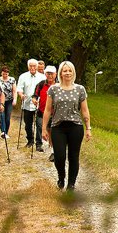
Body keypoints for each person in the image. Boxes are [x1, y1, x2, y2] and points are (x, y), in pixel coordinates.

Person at [41, 61, 92, 191]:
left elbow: (85, 110)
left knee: (73, 156)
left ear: (73, 72)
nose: (67, 73)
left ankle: (71, 184)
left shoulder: (80, 89)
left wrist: (88, 128)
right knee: (59, 156)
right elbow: (47, 110)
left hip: (75, 126)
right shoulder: (54, 89)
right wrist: (44, 128)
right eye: (65, 71)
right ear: (60, 73)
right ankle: (61, 176)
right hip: (58, 127)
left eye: (70, 70)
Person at [16, 59, 44, 149]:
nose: (32, 68)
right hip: (27, 103)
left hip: (38, 104)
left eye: (34, 66)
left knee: (39, 124)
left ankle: (39, 144)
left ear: (37, 67)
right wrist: (21, 94)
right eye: (30, 66)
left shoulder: (42, 77)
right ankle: (30, 140)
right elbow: (19, 88)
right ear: (28, 67)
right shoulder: (23, 76)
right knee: (28, 124)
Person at [33, 66, 56, 152]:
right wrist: (34, 100)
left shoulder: (58, 85)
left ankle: (52, 146)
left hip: (54, 112)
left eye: (51, 74)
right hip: (41, 110)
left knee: (51, 129)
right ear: (45, 74)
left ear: (55, 74)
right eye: (48, 73)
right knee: (39, 126)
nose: (50, 76)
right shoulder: (41, 84)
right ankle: (38, 144)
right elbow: (35, 95)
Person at [0, 66, 17, 140]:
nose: (5, 75)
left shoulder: (12, 80)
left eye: (6, 74)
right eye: (3, 74)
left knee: (7, 117)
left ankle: (6, 132)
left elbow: (14, 91)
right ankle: (3, 131)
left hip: (9, 100)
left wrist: (15, 99)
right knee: (1, 116)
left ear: (8, 73)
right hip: (0, 100)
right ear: (1, 73)